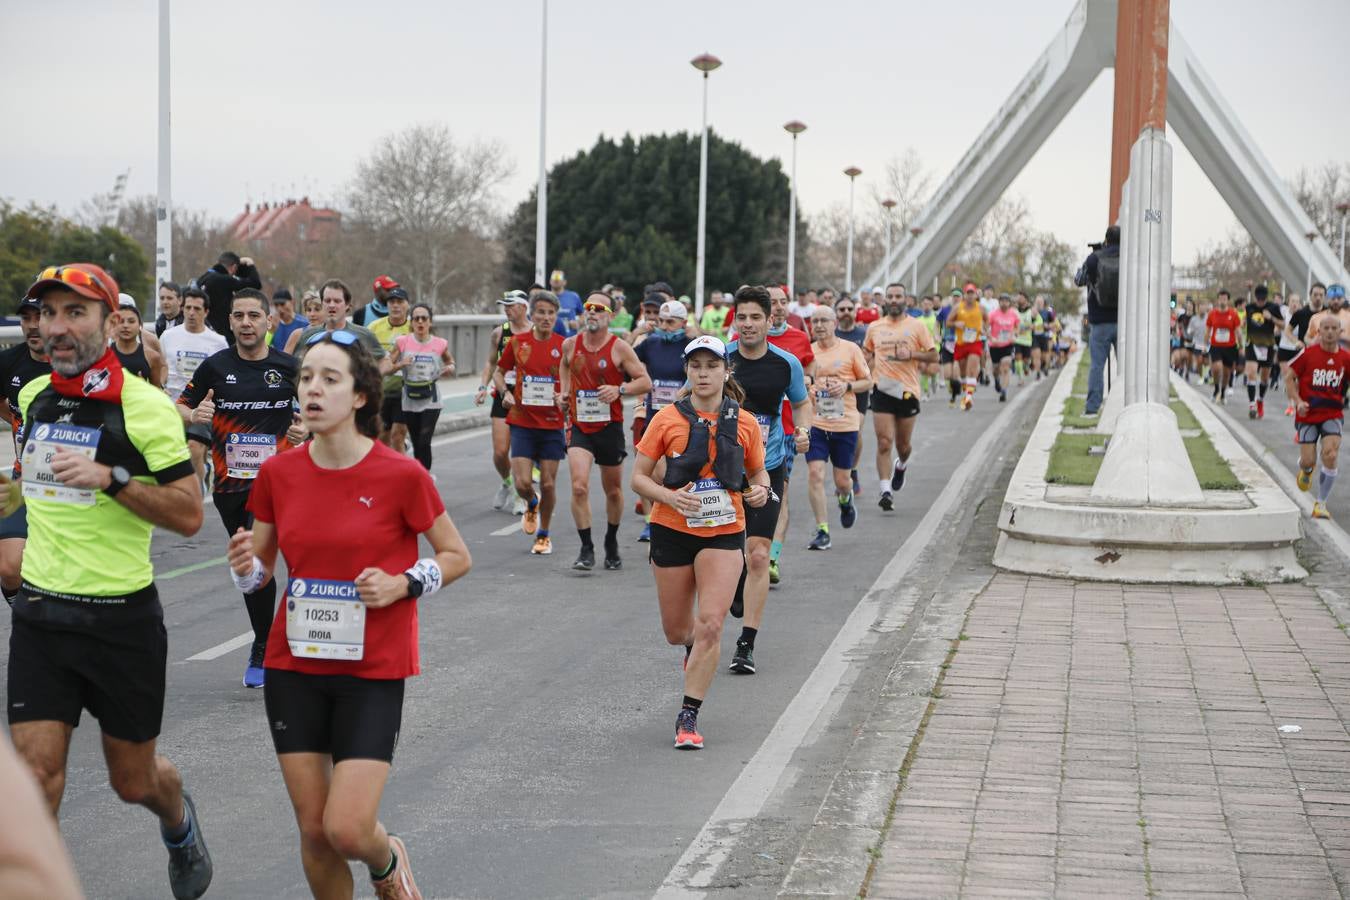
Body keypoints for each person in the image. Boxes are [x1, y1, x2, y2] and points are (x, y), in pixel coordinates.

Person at [227, 330, 471, 899]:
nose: (313, 389)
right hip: (295, 667)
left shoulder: (400, 475)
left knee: (347, 828)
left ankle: (386, 860)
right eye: (306, 377)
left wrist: (403, 583)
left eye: (329, 379)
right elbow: (259, 572)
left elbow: (457, 556)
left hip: (372, 670)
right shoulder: (278, 474)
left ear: (360, 395)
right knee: (315, 832)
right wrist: (242, 568)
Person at [4, 263, 211, 899]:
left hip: (120, 622)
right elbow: (36, 488)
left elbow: (189, 514)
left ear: (108, 318)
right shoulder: (37, 395)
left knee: (133, 780)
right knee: (35, 777)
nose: (57, 328)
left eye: (75, 313)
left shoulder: (143, 407)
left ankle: (177, 822)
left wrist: (113, 480)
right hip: (41, 614)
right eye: (48, 315)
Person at [631, 334, 769, 749]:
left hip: (725, 531)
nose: (704, 373)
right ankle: (689, 646)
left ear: (727, 371)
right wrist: (670, 497)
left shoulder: (744, 422)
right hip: (673, 529)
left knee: (711, 623)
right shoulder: (666, 419)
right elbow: (638, 476)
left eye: (712, 366)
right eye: (696, 366)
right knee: (678, 630)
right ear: (687, 372)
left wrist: (761, 490)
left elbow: (759, 473)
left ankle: (688, 715)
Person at [177, 287, 303, 689]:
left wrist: (307, 430)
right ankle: (268, 638)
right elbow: (178, 405)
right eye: (239, 316)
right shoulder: (214, 367)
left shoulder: (289, 367)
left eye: (254, 316)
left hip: (279, 485)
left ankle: (265, 646)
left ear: (269, 321)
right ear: (229, 322)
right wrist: (193, 413)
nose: (246, 323)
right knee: (250, 571)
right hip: (230, 486)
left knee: (257, 558)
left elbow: (322, 410)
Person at [726, 286, 809, 674]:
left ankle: (746, 644)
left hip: (768, 465)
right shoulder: (719, 359)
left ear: (769, 319)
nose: (747, 324)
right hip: (722, 470)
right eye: (741, 317)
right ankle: (738, 575)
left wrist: (804, 430)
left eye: (754, 317)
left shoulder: (785, 363)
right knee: (730, 554)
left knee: (759, 552)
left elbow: (801, 402)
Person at [561, 292, 652, 571]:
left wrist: (619, 389)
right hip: (580, 426)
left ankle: (611, 541)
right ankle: (586, 547)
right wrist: (564, 392)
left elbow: (645, 381)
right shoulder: (570, 344)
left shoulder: (619, 348)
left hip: (609, 427)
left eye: (599, 309)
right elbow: (564, 366)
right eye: (588, 307)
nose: (591, 312)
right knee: (578, 486)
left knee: (613, 491)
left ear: (610, 316)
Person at [493, 291, 567, 555]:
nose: (546, 318)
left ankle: (544, 535)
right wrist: (506, 393)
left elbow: (573, 380)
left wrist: (565, 397)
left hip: (551, 423)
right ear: (532, 314)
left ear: (556, 317)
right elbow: (499, 373)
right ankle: (531, 502)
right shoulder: (518, 343)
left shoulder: (564, 345)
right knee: (523, 482)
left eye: (551, 313)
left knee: (548, 483)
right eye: (542, 313)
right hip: (522, 421)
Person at [864, 286, 939, 510]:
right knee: (884, 442)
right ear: (885, 300)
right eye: (891, 296)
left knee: (903, 445)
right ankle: (885, 490)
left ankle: (901, 465)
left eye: (898, 297)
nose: (894, 300)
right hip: (882, 388)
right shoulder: (875, 327)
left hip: (907, 390)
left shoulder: (916, 326)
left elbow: (934, 355)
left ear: (905, 300)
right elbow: (867, 353)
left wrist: (913, 354)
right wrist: (864, 364)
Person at [805, 307, 871, 549]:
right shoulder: (808, 353)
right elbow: (801, 383)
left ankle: (845, 498)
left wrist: (847, 387)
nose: (819, 325)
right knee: (815, 474)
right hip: (816, 423)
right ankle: (822, 530)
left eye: (824, 320)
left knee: (842, 480)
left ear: (834, 323)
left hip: (844, 423)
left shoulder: (850, 349)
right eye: (815, 321)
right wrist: (807, 388)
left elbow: (868, 381)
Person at [0, 296, 50, 605]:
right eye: (25, 318)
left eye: (39, 316)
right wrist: (17, 420)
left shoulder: (74, 363)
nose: (32, 326)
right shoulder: (9, 362)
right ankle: (27, 618)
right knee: (9, 567)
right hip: (22, 479)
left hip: (70, 485)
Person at [765, 285, 815, 584]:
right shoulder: (741, 341)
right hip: (751, 431)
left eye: (784, 302)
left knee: (778, 495)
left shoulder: (798, 339)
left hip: (784, 431)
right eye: (773, 302)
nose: (779, 307)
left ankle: (772, 557)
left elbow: (810, 372)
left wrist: (810, 379)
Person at [634, 299, 695, 542]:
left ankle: (676, 515)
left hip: (684, 417)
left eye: (671, 322)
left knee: (677, 471)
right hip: (654, 417)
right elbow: (622, 358)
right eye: (662, 321)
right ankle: (652, 522)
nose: (666, 326)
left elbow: (717, 361)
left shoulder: (691, 346)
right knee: (653, 473)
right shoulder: (650, 344)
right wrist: (636, 333)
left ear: (683, 322)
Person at [161, 287, 229, 486]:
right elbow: (161, 366)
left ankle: (196, 495)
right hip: (172, 404)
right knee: (171, 455)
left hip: (200, 407)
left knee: (194, 447)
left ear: (206, 312)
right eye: (188, 308)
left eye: (197, 309)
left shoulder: (218, 342)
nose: (191, 313)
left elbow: (223, 377)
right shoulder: (168, 336)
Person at [1287, 314, 1350, 519]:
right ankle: (1305, 470)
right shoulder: (1308, 354)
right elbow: (1289, 377)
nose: (1330, 332)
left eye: (1334, 328)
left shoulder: (1346, 358)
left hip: (1332, 413)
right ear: (1319, 331)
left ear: (1341, 333)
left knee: (1330, 454)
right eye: (1326, 328)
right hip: (1308, 414)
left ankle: (1321, 503)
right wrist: (1297, 401)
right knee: (1309, 461)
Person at [476, 291, 531, 513]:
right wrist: (482, 387)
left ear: (524, 307)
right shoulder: (499, 333)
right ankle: (508, 482)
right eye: (504, 306)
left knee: (520, 451)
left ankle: (520, 494)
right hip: (502, 393)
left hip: (529, 396)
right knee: (500, 452)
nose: (507, 310)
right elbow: (491, 363)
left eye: (511, 305)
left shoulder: (536, 333)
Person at [392, 302, 455, 471]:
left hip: (431, 398)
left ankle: (425, 477)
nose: (420, 322)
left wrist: (450, 368)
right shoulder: (402, 342)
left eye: (424, 318)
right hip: (409, 397)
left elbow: (450, 361)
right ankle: (420, 476)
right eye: (416, 318)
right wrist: (400, 364)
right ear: (411, 322)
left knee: (424, 441)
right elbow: (388, 365)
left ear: (430, 322)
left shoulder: (440, 343)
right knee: (415, 439)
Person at [284, 279, 388, 367]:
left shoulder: (364, 335)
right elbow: (294, 366)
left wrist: (366, 385)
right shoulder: (308, 335)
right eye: (327, 301)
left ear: (347, 305)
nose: (331, 305)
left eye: (337, 301)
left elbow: (383, 363)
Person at [1077, 225, 1120, 415]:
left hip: (1099, 322)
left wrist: (1092, 259)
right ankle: (1124, 403)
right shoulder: (1129, 257)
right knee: (1126, 367)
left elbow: (1079, 279)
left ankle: (1093, 407)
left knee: (1097, 365)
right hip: (1124, 322)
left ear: (1106, 240)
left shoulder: (1095, 258)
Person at [367, 287, 413, 454]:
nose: (395, 306)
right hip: (381, 390)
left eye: (400, 302)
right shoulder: (373, 327)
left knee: (397, 435)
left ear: (407, 305)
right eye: (392, 302)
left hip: (405, 391)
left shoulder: (414, 327)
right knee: (382, 437)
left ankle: (399, 476)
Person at [833, 298, 871, 492]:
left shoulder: (863, 334)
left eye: (849, 308)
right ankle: (842, 472)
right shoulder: (831, 334)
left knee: (855, 432)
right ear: (836, 313)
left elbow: (872, 361)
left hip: (856, 390)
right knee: (834, 435)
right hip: (832, 394)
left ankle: (852, 470)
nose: (846, 312)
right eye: (841, 309)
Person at [198, 251, 261, 343]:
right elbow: (255, 284)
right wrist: (250, 264)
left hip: (205, 331)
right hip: (221, 335)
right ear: (234, 267)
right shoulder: (224, 280)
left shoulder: (203, 278)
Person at [1241, 285, 1283, 419]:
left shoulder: (1273, 307)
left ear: (1266, 298)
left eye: (1263, 300)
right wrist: (1242, 323)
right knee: (1251, 372)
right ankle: (1252, 404)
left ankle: (1260, 400)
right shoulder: (1249, 308)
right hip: (1252, 343)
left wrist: (1272, 318)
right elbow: (1244, 322)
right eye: (1258, 299)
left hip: (1268, 345)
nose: (1260, 302)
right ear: (1255, 298)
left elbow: (1283, 324)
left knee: (1265, 377)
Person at [113, 299, 167, 387]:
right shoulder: (104, 355)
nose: (126, 326)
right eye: (121, 321)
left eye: (131, 321)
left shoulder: (152, 357)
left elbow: (157, 392)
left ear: (140, 325)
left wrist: (143, 387)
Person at [951, 283, 988, 410]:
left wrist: (984, 329)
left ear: (975, 295)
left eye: (972, 293)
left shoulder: (981, 308)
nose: (970, 296)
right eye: (968, 293)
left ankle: (968, 397)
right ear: (964, 295)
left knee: (971, 369)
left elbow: (987, 320)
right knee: (962, 370)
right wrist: (956, 323)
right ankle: (965, 386)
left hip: (975, 342)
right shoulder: (957, 307)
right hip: (961, 342)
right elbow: (948, 322)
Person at [1206, 290, 1241, 403]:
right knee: (1217, 368)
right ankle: (1216, 389)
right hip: (1216, 346)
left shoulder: (1233, 314)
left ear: (1228, 300)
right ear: (1218, 300)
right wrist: (1205, 344)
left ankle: (1222, 392)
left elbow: (1238, 331)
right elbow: (1208, 330)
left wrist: (1241, 346)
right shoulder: (1212, 314)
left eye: (1225, 299)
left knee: (1226, 373)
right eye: (1221, 298)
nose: (1222, 301)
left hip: (1230, 347)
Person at [987, 293, 1020, 402]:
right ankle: (996, 380)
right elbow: (984, 327)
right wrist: (991, 338)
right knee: (996, 369)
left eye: (1006, 301)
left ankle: (1004, 391)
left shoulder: (1013, 314)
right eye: (1002, 301)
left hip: (1008, 345)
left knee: (1005, 368)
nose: (1004, 303)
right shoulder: (993, 314)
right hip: (995, 345)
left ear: (1009, 303)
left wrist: (1014, 335)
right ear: (999, 302)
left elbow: (1017, 327)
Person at [549, 270, 584, 338]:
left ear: (564, 282)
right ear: (550, 281)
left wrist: (578, 323)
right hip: (550, 339)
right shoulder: (544, 297)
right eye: (554, 279)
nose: (556, 281)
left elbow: (583, 315)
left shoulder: (573, 296)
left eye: (559, 279)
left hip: (569, 339)